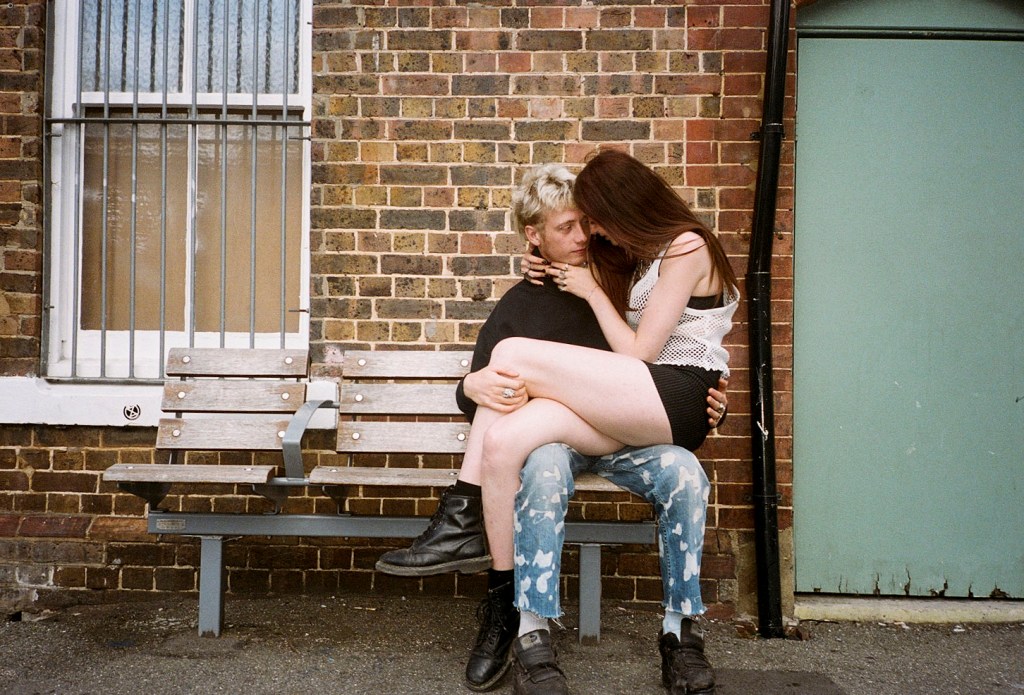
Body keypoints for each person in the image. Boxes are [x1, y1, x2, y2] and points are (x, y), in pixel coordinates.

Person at [376, 156, 733, 694]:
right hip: (588, 428)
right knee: (506, 439)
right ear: (534, 237)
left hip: (655, 411)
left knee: (516, 355)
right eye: (569, 227)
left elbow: (667, 344)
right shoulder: (531, 292)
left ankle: (681, 634)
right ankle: (519, 624)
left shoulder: (623, 264)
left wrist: (711, 398)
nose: (588, 236)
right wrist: (470, 386)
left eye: (589, 222)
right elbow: (481, 385)